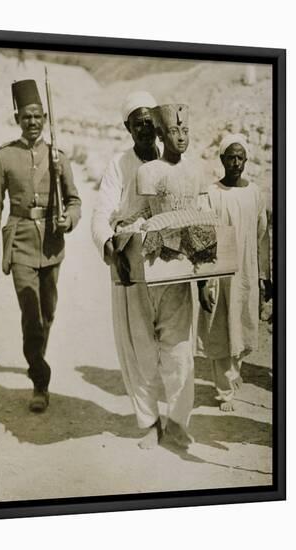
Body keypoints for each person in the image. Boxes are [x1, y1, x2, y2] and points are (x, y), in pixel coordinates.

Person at [0, 79, 81, 413]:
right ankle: (40, 381)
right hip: (21, 242)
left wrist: (70, 219)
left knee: (47, 313)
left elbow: (74, 200)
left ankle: (36, 359)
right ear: (17, 119)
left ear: (45, 118)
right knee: (31, 315)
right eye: (26, 117)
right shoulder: (4, 156)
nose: (33, 122)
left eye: (38, 116)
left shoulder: (58, 157)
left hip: (52, 245)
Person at [92, 91, 168, 450]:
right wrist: (108, 242)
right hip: (131, 265)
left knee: (175, 345)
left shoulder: (173, 157)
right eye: (137, 123)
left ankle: (177, 415)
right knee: (138, 345)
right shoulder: (118, 165)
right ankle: (151, 421)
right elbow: (102, 210)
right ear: (127, 127)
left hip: (172, 265)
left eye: (149, 121)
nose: (145, 128)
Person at [134, 104, 201, 449]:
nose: (181, 137)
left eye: (186, 130)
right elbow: (140, 217)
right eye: (174, 131)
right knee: (147, 348)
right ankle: (150, 423)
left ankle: (177, 424)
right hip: (152, 271)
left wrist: (206, 277)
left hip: (181, 274)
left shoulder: (196, 172)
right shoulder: (148, 173)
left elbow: (205, 222)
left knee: (179, 351)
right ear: (161, 135)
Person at [197, 134, 272, 411]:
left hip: (246, 272)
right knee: (219, 326)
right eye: (231, 156)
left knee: (241, 325)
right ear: (222, 160)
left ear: (246, 159)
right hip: (219, 271)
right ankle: (225, 390)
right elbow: (202, 237)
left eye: (240, 157)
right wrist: (203, 283)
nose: (236, 162)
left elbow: (262, 234)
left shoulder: (254, 192)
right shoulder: (212, 194)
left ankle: (233, 375)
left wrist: (265, 275)